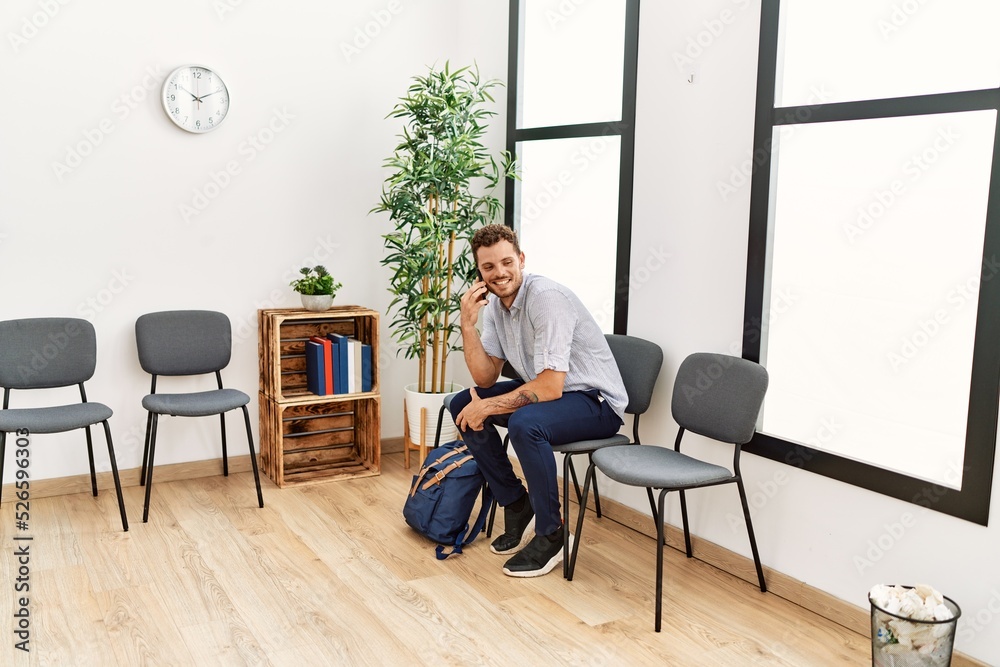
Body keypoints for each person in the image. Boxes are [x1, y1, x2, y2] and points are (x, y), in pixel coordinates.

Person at [450, 224, 628, 578]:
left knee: (524, 424)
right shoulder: (499, 307)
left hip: (595, 402)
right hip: (555, 393)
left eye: (506, 262)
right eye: (488, 267)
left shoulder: (546, 298)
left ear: (521, 259)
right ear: (479, 272)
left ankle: (552, 534)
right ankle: (517, 504)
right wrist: (467, 326)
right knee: (461, 405)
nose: (499, 273)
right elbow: (485, 378)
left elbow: (549, 388)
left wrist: (488, 406)